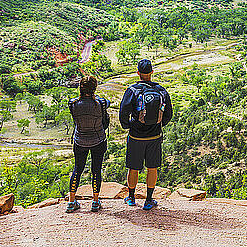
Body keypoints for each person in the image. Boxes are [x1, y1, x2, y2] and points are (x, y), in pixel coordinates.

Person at [119, 59, 173, 210]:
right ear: (151, 72)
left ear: (138, 73)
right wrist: (158, 125)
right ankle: (149, 200)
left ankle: (131, 197)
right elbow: (168, 114)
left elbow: (123, 112)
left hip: (136, 135)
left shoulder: (132, 90)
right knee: (152, 168)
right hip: (155, 136)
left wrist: (128, 126)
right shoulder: (161, 90)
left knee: (133, 168)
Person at [66, 76, 110, 213]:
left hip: (80, 140)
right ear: (94, 88)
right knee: (96, 170)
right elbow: (107, 102)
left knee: (77, 169)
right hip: (98, 140)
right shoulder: (101, 103)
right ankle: (95, 201)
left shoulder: (73, 104)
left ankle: (71, 202)